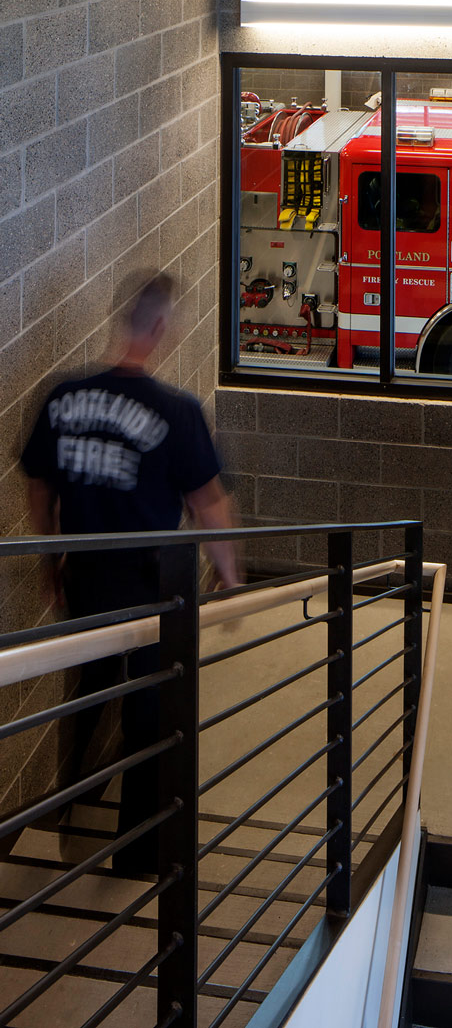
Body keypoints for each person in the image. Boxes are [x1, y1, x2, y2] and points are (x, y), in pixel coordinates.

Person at [20, 272, 240, 874]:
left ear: (123, 320)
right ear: (163, 327)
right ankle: (138, 854)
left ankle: (70, 821)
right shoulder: (177, 412)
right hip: (153, 585)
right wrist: (229, 575)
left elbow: (40, 482)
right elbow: (208, 501)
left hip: (85, 573)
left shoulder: (62, 396)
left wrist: (50, 555)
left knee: (85, 695)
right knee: (150, 710)